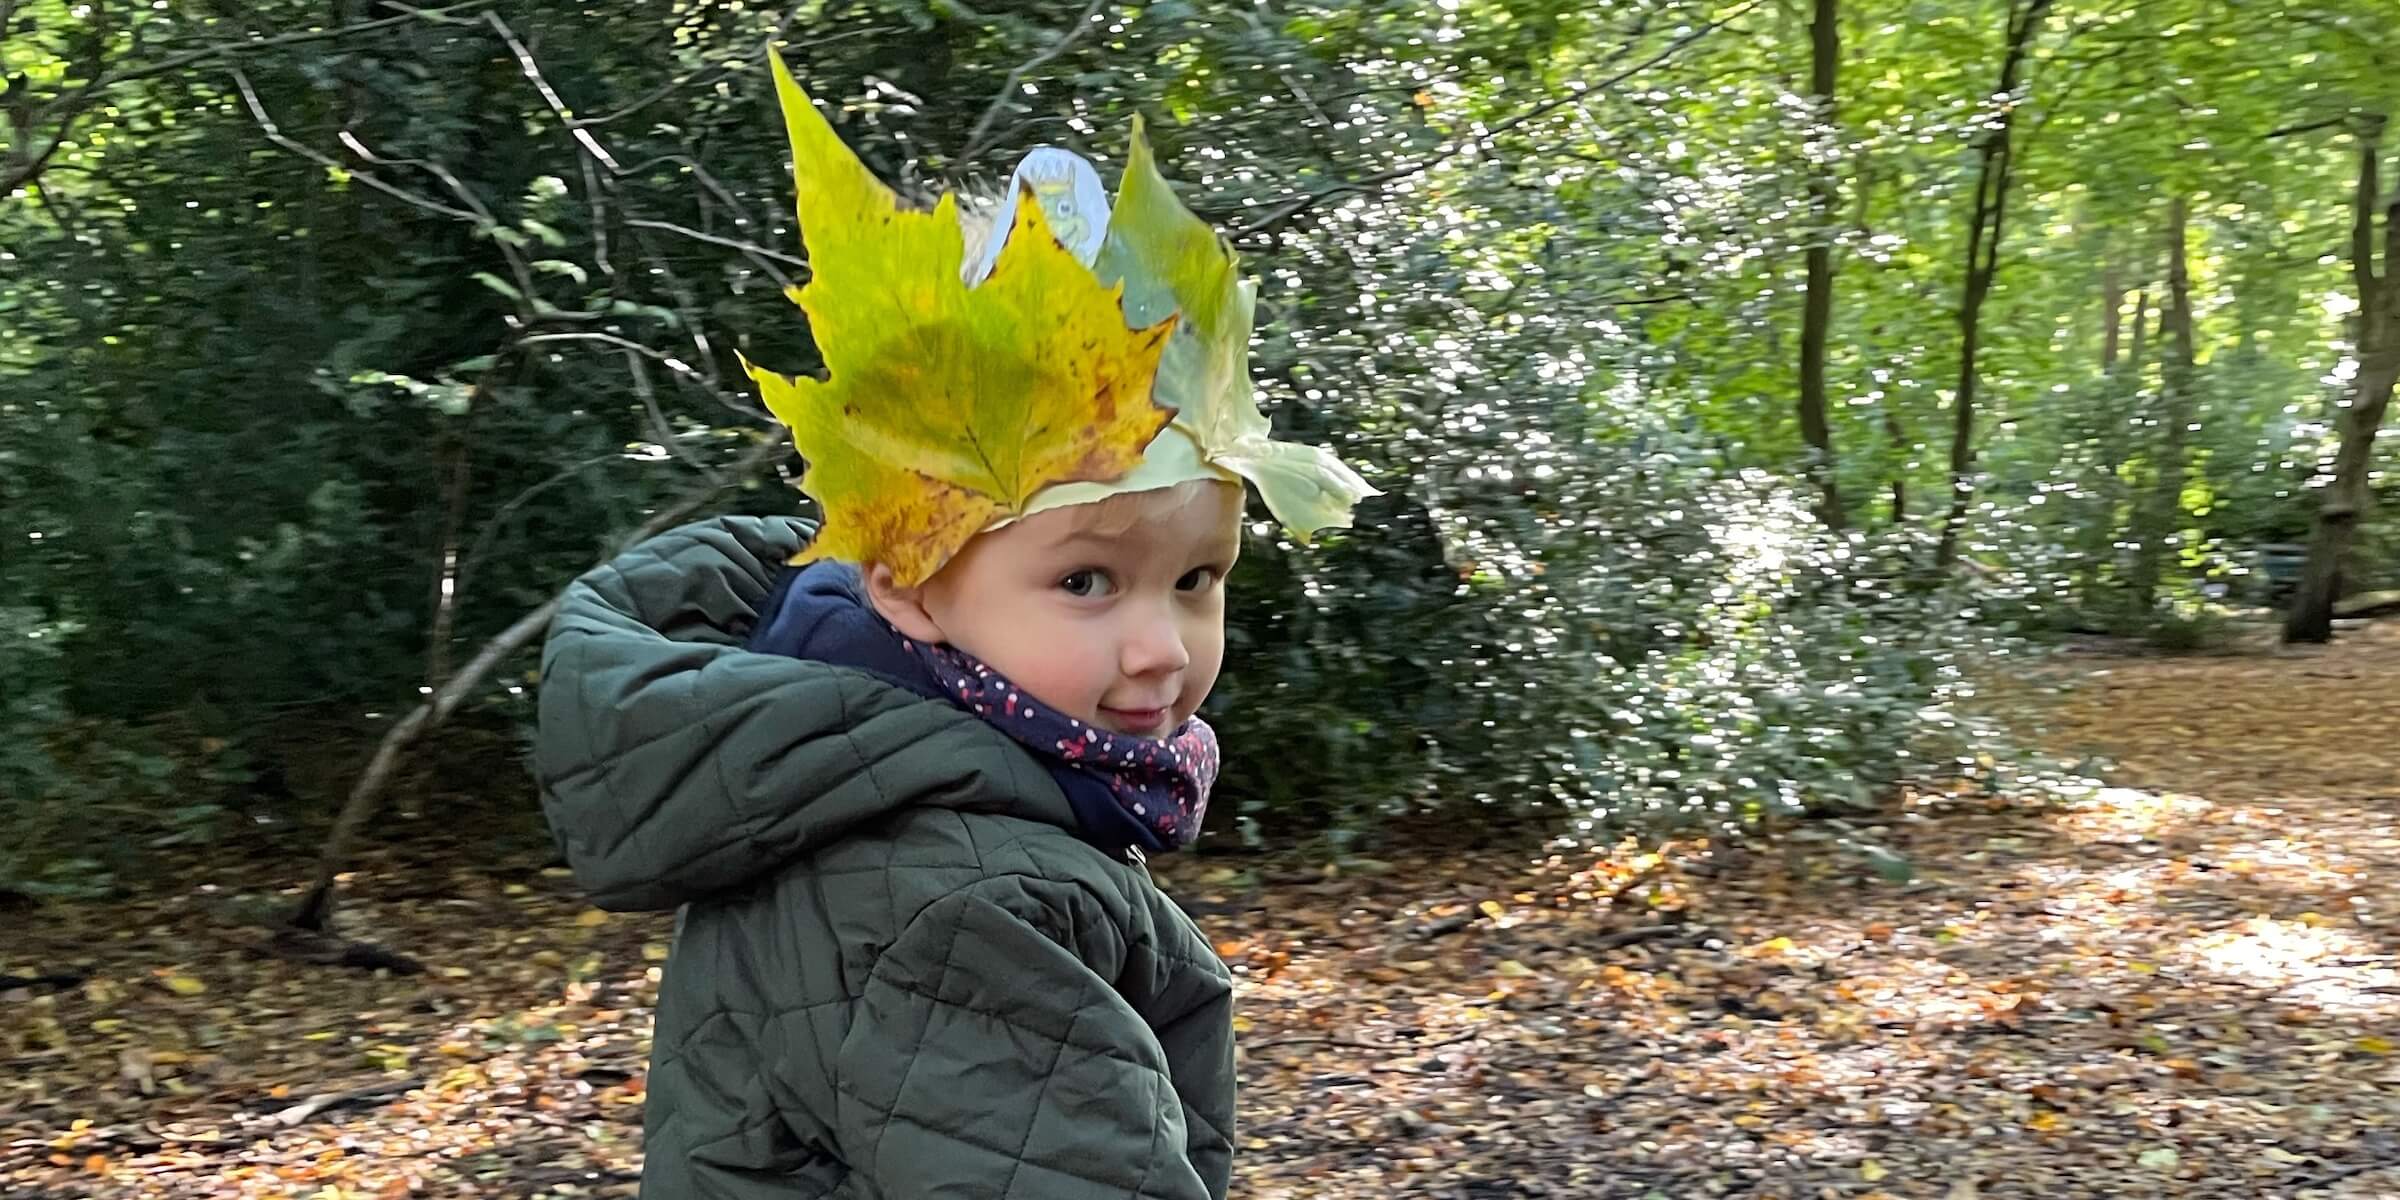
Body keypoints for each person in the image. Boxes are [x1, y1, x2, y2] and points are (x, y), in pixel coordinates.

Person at [534, 49, 1375, 1200]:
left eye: (1197, 578)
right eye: (1087, 581)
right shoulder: (958, 905)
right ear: (907, 581)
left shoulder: (893, 785)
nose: (1162, 647)